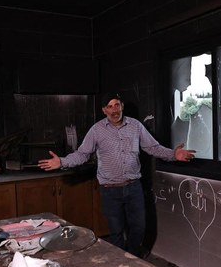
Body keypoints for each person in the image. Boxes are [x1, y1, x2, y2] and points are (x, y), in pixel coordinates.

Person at [38, 93, 195, 257]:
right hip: (110, 190)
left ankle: (133, 260)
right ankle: (120, 263)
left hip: (134, 187)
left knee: (139, 228)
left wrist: (173, 154)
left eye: (117, 105)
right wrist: (62, 162)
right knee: (116, 231)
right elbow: (82, 154)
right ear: (104, 110)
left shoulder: (135, 126)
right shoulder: (97, 130)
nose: (114, 110)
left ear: (122, 106)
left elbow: (153, 147)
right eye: (110, 106)